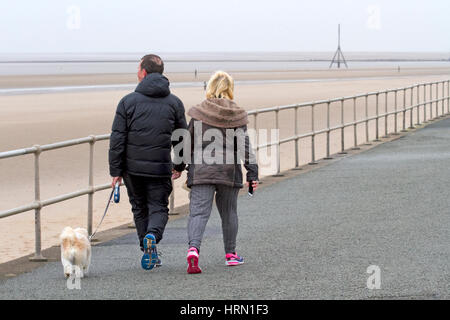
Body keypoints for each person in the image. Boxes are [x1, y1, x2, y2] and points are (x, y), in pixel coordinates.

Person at [109, 54, 187, 270]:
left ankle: (147, 248)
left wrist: (115, 170)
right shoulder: (174, 102)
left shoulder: (127, 102)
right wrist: (180, 165)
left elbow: (117, 139)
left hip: (132, 170)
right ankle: (152, 236)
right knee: (159, 207)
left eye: (138, 68)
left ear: (143, 72)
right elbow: (182, 137)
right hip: (160, 167)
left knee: (139, 208)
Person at [185, 71, 259, 274]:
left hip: (202, 171)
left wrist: (178, 167)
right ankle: (231, 255)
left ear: (210, 87)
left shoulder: (199, 112)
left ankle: (193, 250)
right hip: (228, 172)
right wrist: (253, 174)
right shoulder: (237, 114)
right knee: (229, 213)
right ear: (230, 89)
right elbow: (246, 148)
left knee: (199, 213)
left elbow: (186, 143)